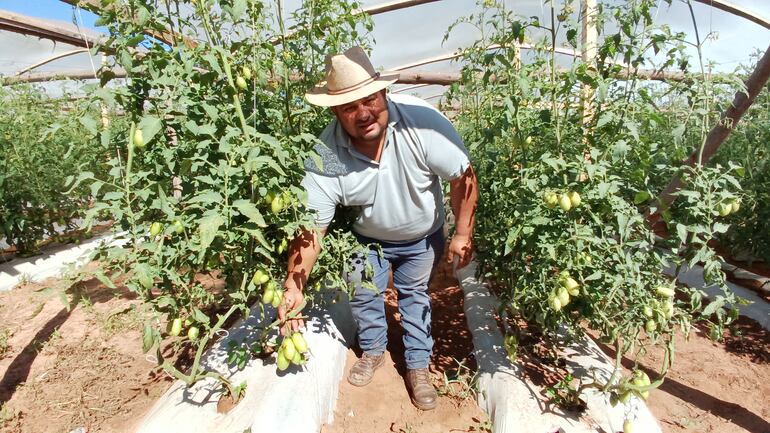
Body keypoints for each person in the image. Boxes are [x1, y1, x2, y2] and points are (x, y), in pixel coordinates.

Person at [277, 46, 477, 411]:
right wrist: (295, 283)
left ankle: (417, 366)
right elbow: (311, 229)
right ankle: (372, 350)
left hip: (421, 238)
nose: (363, 113)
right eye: (350, 107)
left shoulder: (424, 125)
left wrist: (462, 234)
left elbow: (463, 177)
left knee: (414, 296)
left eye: (370, 100)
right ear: (335, 111)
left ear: (384, 94)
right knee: (364, 296)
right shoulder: (326, 156)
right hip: (364, 240)